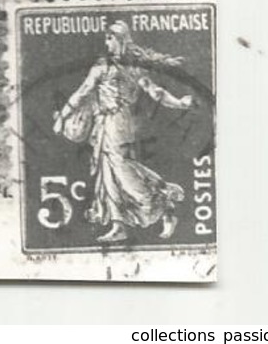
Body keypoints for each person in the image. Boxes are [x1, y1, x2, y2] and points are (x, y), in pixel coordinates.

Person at [53, 19, 195, 243]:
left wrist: (179, 103)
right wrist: (63, 116)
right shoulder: (101, 67)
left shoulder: (133, 67)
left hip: (122, 122)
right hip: (103, 123)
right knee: (108, 172)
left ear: (122, 41)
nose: (107, 43)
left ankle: (161, 200)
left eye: (111, 38)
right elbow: (82, 92)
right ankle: (119, 225)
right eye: (106, 38)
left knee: (122, 168)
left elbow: (154, 91)